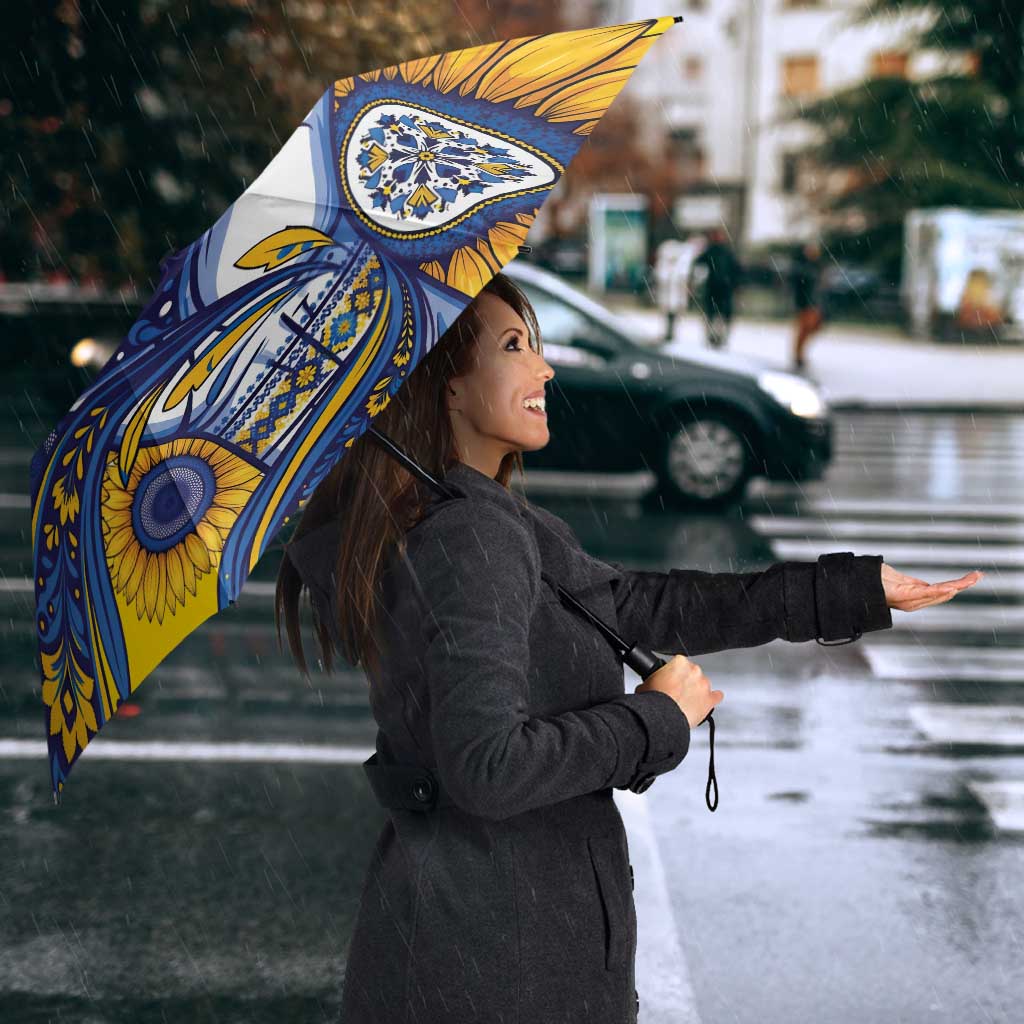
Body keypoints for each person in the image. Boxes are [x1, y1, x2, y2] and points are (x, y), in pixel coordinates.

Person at [276, 271, 981, 1024]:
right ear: (447, 386)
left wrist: (850, 590)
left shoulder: (482, 519)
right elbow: (487, 767)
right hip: (495, 962)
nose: (544, 367)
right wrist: (654, 719)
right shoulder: (469, 536)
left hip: (482, 943)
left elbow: (644, 605)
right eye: (514, 346)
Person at [692, 226, 742, 349]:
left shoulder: (725, 252)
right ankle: (713, 337)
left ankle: (719, 337)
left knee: (720, 315)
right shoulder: (712, 251)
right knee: (713, 314)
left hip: (723, 288)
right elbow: (698, 264)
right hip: (715, 288)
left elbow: (736, 270)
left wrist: (735, 284)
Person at [790, 239, 826, 370]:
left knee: (812, 328)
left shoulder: (817, 266)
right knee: (804, 329)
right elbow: (799, 286)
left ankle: (799, 354)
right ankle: (798, 355)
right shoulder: (802, 267)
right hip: (805, 303)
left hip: (814, 303)